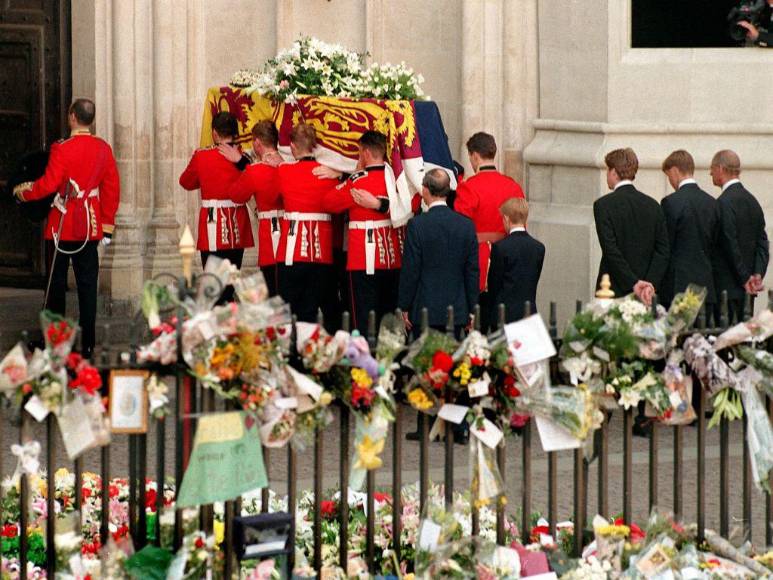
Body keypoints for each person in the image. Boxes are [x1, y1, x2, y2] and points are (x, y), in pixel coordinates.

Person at [14, 98, 120, 358]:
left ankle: (56, 344)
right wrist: (106, 226)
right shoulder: (103, 148)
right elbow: (111, 189)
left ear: (72, 117)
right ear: (91, 119)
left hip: (61, 225)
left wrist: (24, 193)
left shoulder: (62, 148)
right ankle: (88, 346)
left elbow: (49, 185)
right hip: (89, 225)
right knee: (87, 288)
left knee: (55, 287)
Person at [320, 131, 400, 334]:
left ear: (365, 153)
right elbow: (410, 205)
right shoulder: (396, 180)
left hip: (363, 259)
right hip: (391, 257)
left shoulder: (358, 180)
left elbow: (328, 202)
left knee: (364, 319)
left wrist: (346, 176)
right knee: (388, 318)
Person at [453, 132, 524, 326]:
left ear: (475, 155)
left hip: (479, 260)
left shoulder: (468, 187)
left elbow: (461, 229)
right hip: (509, 259)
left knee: (479, 320)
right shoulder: (512, 186)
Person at [398, 168, 479, 337]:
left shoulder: (417, 225)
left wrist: (404, 305)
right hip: (456, 311)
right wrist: (472, 310)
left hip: (424, 309)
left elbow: (411, 270)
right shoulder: (466, 225)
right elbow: (472, 271)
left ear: (426, 190)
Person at [179, 111, 254, 283]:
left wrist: (206, 179)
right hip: (237, 225)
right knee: (230, 283)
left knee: (213, 285)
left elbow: (186, 182)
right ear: (235, 133)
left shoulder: (202, 156)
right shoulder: (243, 157)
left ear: (214, 133)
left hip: (212, 225)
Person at [275, 124, 339, 324]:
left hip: (292, 252)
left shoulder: (284, 171)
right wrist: (340, 173)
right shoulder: (328, 175)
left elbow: (273, 197)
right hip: (320, 252)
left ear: (292, 146)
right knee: (310, 311)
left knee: (289, 311)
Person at [593, 148, 670, 304]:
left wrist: (633, 283)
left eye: (607, 170)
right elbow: (662, 251)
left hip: (613, 288)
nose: (607, 175)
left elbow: (610, 250)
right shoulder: (653, 205)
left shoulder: (603, 205)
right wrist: (649, 284)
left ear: (614, 172)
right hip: (646, 293)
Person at [225, 120, 283, 296]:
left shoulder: (255, 170)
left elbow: (236, 195)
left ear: (257, 142)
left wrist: (243, 168)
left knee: (273, 288)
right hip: (292, 231)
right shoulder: (287, 163)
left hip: (269, 231)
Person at [710, 150, 768, 322]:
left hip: (727, 288)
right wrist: (757, 274)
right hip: (748, 290)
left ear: (720, 168)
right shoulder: (753, 201)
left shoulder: (723, 203)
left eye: (712, 169)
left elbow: (729, 242)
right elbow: (762, 243)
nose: (710, 174)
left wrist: (744, 278)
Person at [660, 150, 720, 312]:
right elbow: (715, 243)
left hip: (677, 286)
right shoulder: (712, 203)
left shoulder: (670, 203)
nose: (670, 181)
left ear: (674, 171)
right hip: (705, 285)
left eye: (669, 176)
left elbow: (665, 245)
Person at [487, 198, 545, 328]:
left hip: (504, 314)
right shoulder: (539, 247)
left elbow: (494, 284)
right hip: (529, 312)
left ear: (507, 219)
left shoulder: (501, 247)